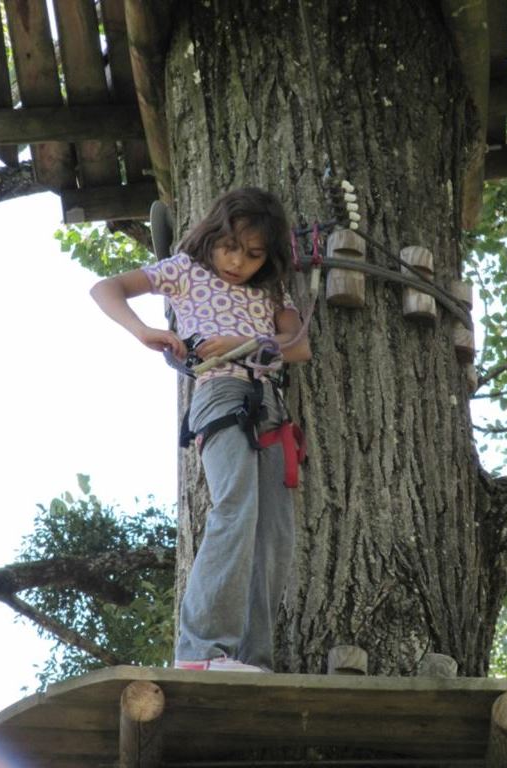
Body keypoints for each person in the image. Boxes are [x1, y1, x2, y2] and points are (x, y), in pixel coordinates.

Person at [90, 187, 311, 673]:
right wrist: (144, 330)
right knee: (235, 505)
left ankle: (253, 659)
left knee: (274, 534)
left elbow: (298, 347)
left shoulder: (272, 292)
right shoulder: (184, 271)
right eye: (230, 247)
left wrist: (245, 339)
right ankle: (202, 651)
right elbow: (106, 288)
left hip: (270, 406)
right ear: (212, 237)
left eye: (253, 254)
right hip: (220, 394)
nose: (237, 262)